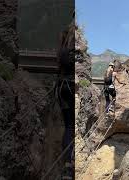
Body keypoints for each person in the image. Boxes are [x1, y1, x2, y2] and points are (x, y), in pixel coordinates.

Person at [55, 31, 74, 179]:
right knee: (72, 126)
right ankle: (71, 163)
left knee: (68, 126)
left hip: (61, 88)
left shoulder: (62, 45)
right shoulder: (74, 43)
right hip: (71, 87)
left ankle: (67, 163)